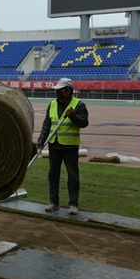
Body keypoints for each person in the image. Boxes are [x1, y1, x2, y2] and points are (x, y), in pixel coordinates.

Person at [36, 77, 89, 215]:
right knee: (53, 174)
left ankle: (73, 204)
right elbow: (47, 124)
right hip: (54, 145)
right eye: (57, 90)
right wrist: (41, 140)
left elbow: (84, 123)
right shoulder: (52, 104)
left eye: (62, 90)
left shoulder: (78, 105)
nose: (59, 93)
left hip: (70, 146)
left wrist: (73, 116)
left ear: (69, 91)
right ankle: (54, 202)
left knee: (72, 175)